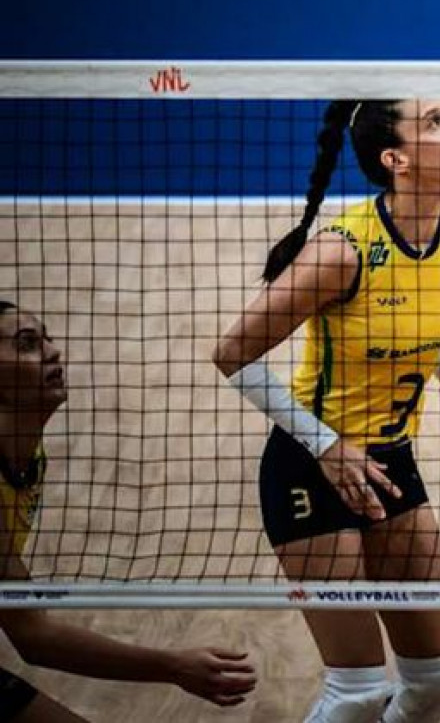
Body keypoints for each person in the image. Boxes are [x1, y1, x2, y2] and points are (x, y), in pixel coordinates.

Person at [213, 98, 440, 723]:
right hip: (309, 469)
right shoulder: (340, 252)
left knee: (435, 681)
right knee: (357, 694)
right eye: (435, 122)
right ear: (395, 160)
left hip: (390, 463)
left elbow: (426, 323)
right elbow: (233, 355)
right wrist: (326, 446)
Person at [0, 299, 256, 722]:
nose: (53, 351)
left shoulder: (29, 459)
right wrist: (174, 666)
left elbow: (27, 621)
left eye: (46, 338)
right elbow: (34, 637)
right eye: (27, 343)